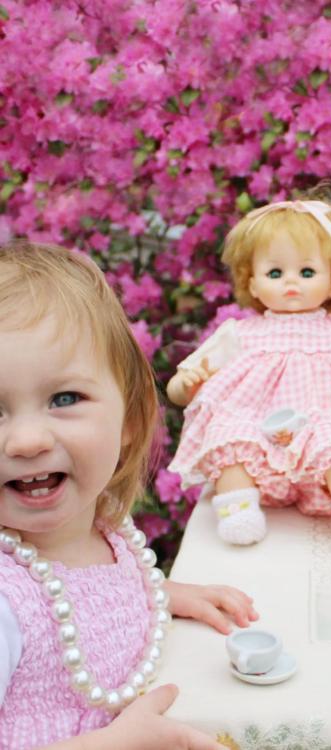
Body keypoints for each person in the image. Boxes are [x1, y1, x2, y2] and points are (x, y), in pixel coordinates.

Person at [0, 242, 258, 750]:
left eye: (64, 398)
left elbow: (77, 598)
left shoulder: (99, 534)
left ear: (131, 420)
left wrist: (155, 595)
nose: (28, 440)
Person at [167, 198, 331, 553]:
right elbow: (179, 386)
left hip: (327, 422)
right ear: (253, 283)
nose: (291, 282)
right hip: (258, 429)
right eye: (275, 273)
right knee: (231, 441)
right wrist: (186, 384)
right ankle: (239, 508)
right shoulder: (239, 335)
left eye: (306, 272)